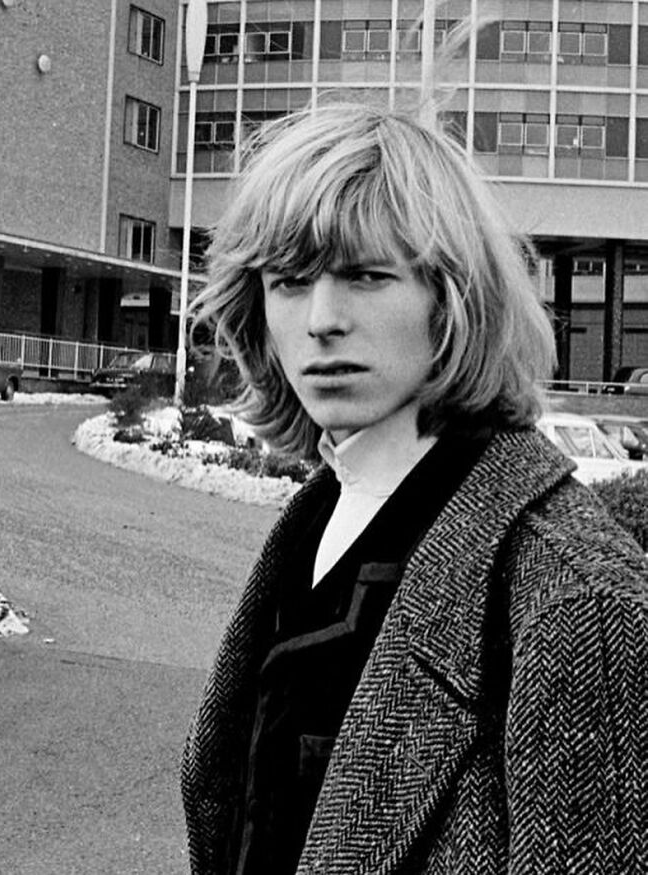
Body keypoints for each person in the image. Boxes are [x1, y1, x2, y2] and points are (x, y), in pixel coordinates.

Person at [181, 103, 648, 875]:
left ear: (453, 297)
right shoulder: (324, 512)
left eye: (366, 275)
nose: (323, 319)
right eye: (290, 281)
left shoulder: (578, 601)